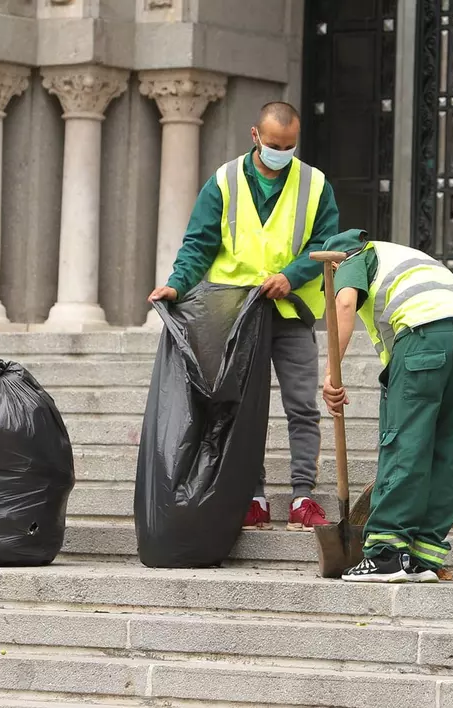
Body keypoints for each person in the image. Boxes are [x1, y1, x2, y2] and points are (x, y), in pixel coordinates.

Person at [147, 101, 339, 532]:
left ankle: (302, 497)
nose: (281, 153)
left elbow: (328, 242)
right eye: (274, 145)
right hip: (234, 314)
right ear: (255, 135)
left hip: (291, 311)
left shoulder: (315, 184)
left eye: (289, 146)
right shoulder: (225, 181)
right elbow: (200, 243)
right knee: (239, 406)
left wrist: (291, 276)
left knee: (301, 406)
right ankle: (252, 498)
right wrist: (177, 284)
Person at [318, 229, 453, 582]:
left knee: (406, 443)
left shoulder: (353, 257)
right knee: (450, 448)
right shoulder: (409, 259)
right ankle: (423, 556)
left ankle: (385, 555)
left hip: (425, 341)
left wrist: (330, 376)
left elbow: (346, 304)